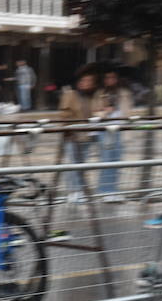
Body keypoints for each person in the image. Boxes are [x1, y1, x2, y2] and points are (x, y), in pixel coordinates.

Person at [57, 66, 100, 201]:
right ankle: (72, 191)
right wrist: (69, 127)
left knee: (82, 164)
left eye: (90, 81)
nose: (87, 83)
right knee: (73, 164)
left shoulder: (93, 97)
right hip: (73, 135)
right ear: (79, 82)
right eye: (84, 81)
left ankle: (79, 190)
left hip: (87, 135)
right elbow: (64, 114)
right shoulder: (70, 95)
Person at [94, 68, 134, 200]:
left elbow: (127, 110)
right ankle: (104, 190)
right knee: (106, 160)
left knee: (117, 160)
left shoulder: (124, 93)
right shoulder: (100, 93)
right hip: (105, 129)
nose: (110, 80)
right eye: (107, 77)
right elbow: (95, 111)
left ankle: (114, 189)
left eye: (112, 77)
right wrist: (106, 111)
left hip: (119, 128)